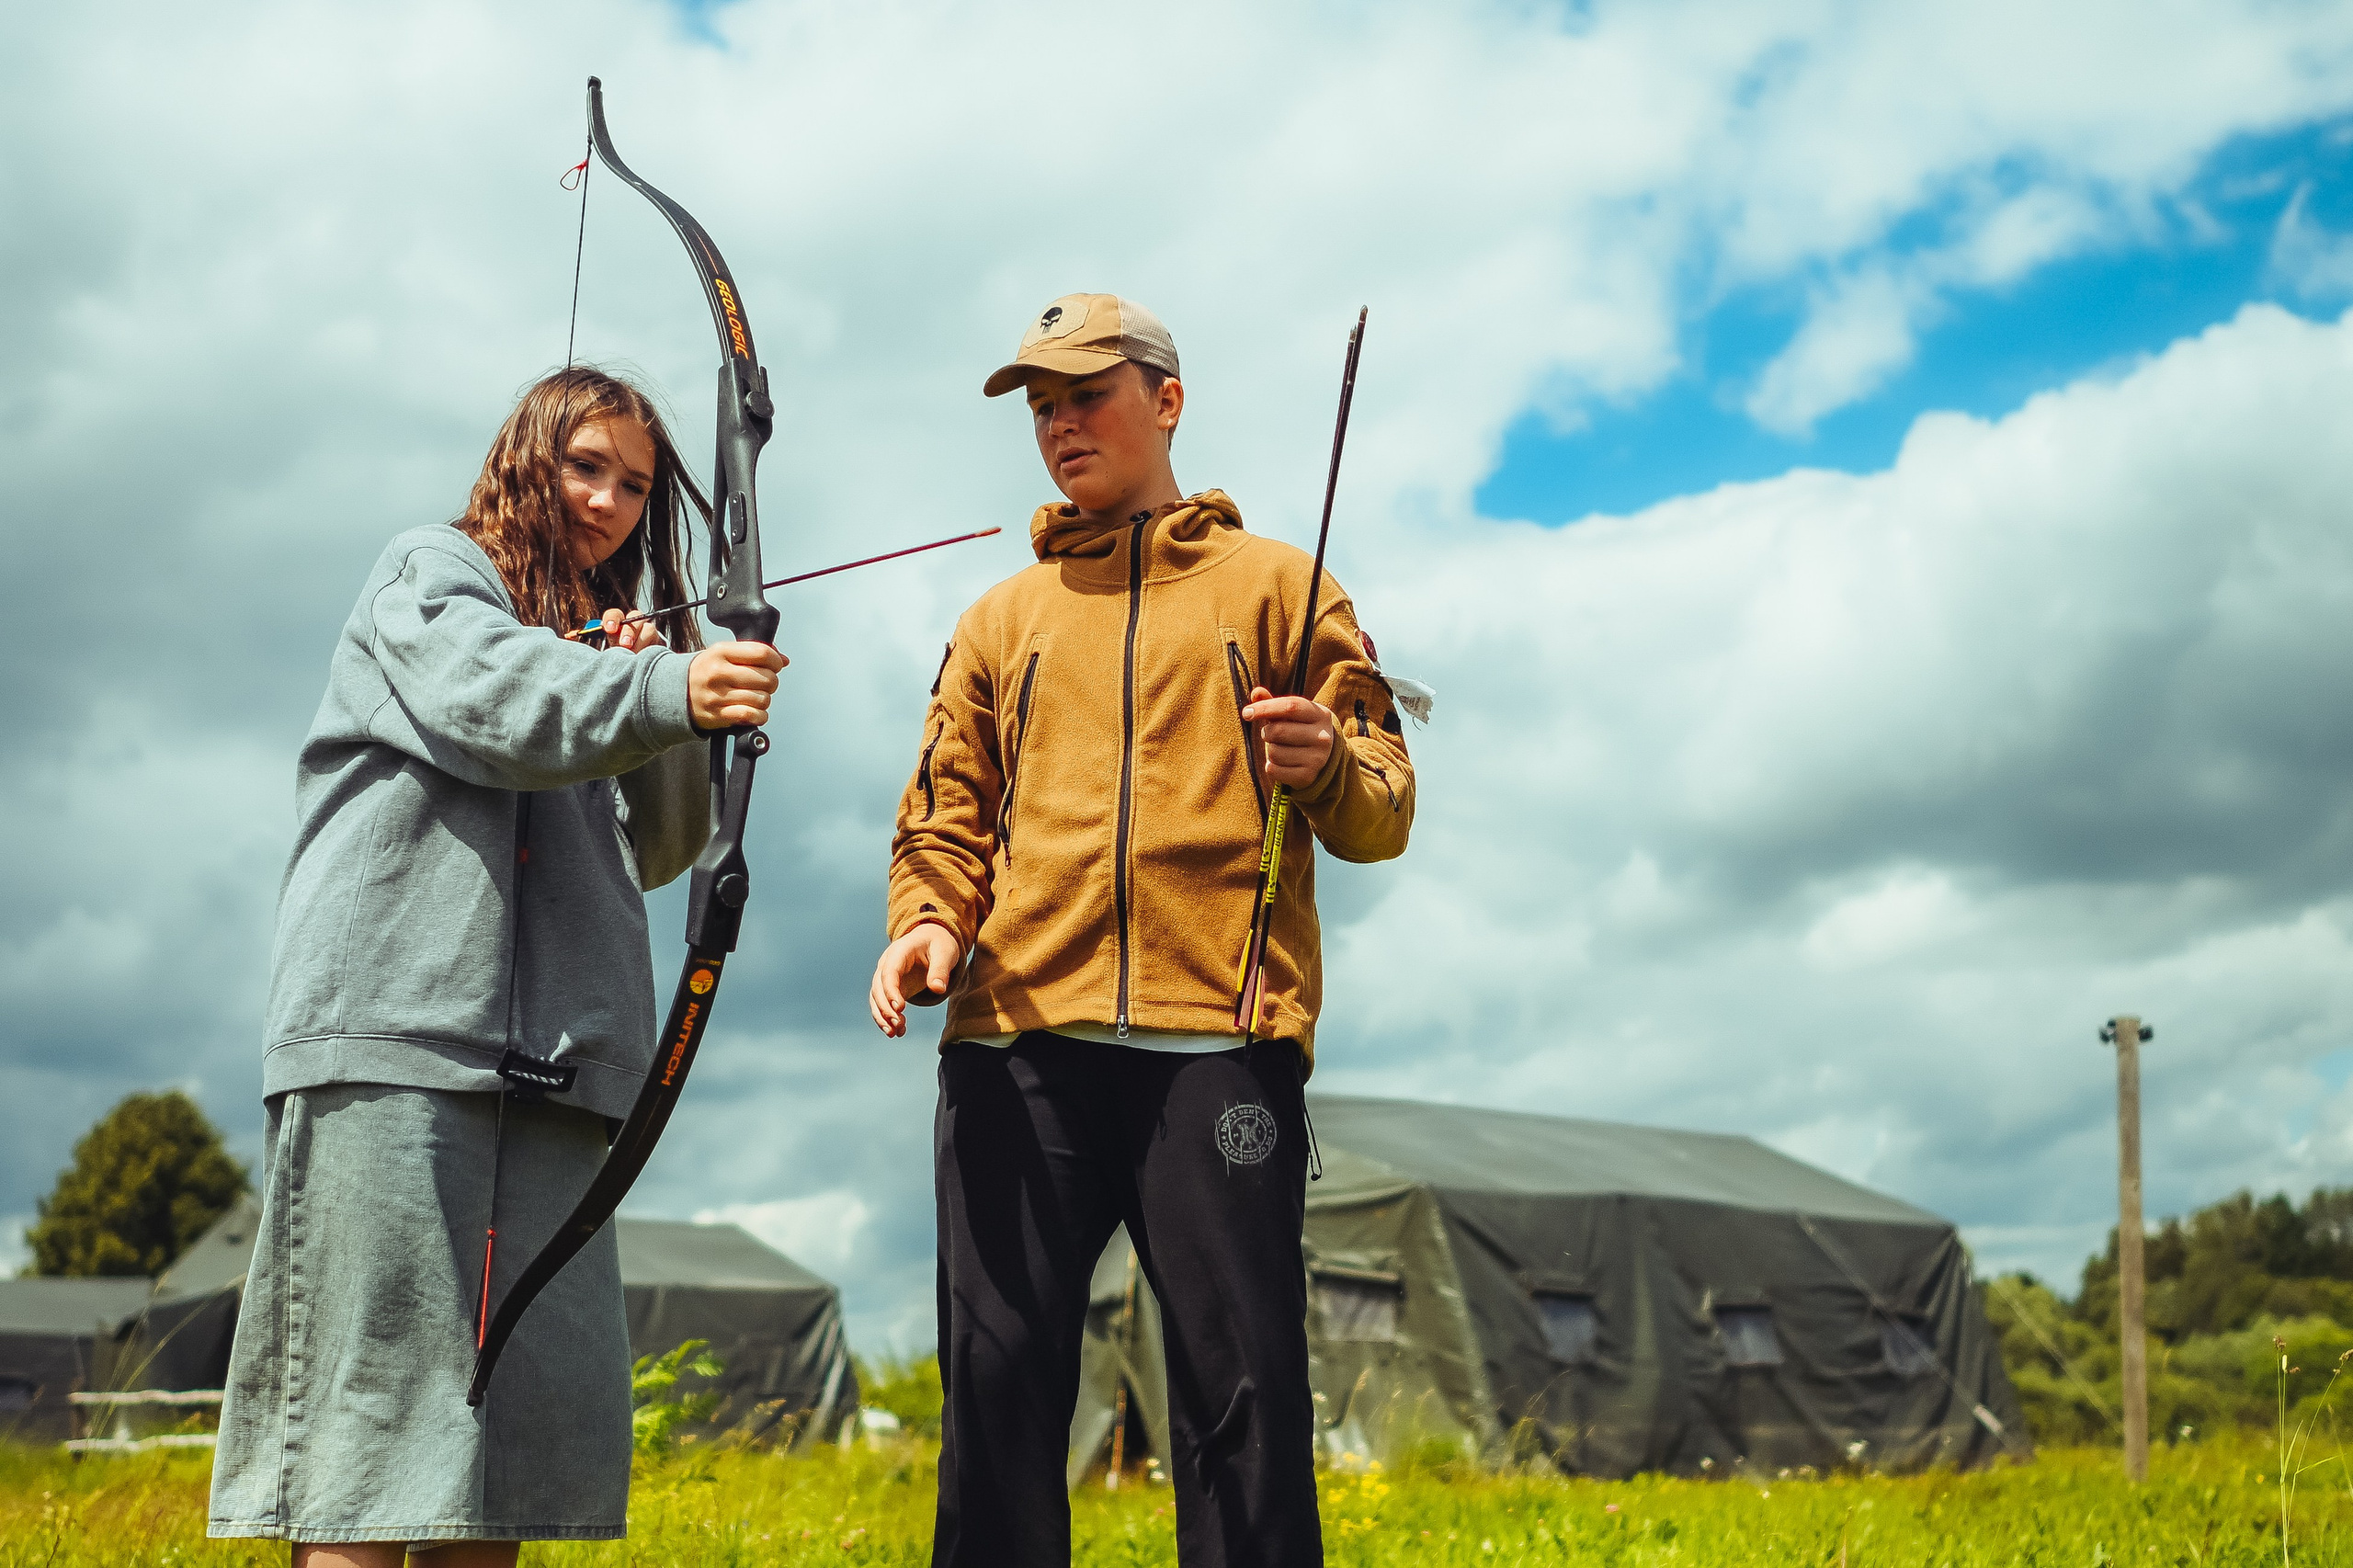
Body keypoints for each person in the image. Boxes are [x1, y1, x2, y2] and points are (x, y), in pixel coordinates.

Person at [870, 295, 1416, 1566]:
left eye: (1087, 394)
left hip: (1219, 1045)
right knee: (997, 1398)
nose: (1061, 424)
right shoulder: (1000, 619)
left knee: (1247, 1405)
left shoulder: (1287, 584)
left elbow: (1384, 807)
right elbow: (946, 818)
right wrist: (928, 925)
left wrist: (1329, 757)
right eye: (1042, 406)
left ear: (1166, 399)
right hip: (1012, 1046)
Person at [208, 367, 787, 1565]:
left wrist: (664, 704)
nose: (613, 503)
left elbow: (670, 845)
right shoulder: (433, 572)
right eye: (587, 467)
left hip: (557, 1074)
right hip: (399, 1053)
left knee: (502, 1471)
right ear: (526, 455)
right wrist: (661, 681)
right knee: (371, 1462)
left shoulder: (595, 659)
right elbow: (487, 695)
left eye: (634, 484)